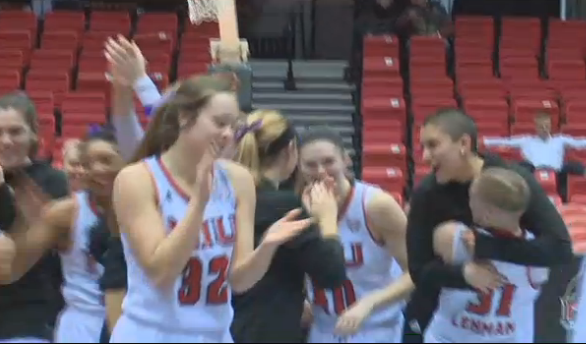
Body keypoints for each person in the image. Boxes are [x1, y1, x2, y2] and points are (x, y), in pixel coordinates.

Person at [110, 74, 311, 343]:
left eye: (234, 125)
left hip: (215, 334)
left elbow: (239, 280)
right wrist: (199, 202)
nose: (228, 134)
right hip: (152, 333)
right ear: (184, 118)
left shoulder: (239, 180)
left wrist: (266, 247)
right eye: (219, 123)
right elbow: (162, 273)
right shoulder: (137, 179)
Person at [404, 108, 573, 342]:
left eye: (433, 145)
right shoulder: (426, 195)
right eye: (423, 146)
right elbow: (419, 271)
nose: (423, 156)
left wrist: (485, 245)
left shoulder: (513, 180)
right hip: (447, 325)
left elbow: (560, 249)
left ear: (463, 143)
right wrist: (464, 274)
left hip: (506, 324)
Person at [230, 110, 347, 343]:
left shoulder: (227, 191)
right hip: (267, 329)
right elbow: (331, 273)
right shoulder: (283, 204)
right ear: (291, 150)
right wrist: (327, 220)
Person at [0, 127, 124, 342]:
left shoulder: (150, 206)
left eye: (106, 160)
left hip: (135, 321)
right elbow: (10, 270)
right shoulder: (66, 212)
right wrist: (18, 227)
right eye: (87, 163)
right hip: (83, 325)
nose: (97, 169)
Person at [297, 127, 413, 343]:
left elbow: (416, 272)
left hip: (377, 328)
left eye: (329, 161)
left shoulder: (376, 205)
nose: (321, 171)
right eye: (311, 165)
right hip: (323, 330)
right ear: (299, 167)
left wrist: (369, 303)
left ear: (346, 160)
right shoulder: (297, 208)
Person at [426, 167, 549, 343]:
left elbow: (419, 273)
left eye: (472, 199)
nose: (468, 204)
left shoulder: (451, 236)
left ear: (487, 213)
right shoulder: (539, 256)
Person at [0, 91, 69, 343]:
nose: (6, 141)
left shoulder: (54, 182)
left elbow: (20, 253)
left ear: (33, 134)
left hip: (28, 316)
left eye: (15, 131)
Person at [483, 111, 586, 199]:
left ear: (551, 126)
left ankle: (563, 200)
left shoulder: (560, 140)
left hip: (557, 173)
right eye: (541, 127)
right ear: (536, 127)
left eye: (547, 126)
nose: (544, 129)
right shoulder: (526, 140)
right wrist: (485, 141)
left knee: (574, 166)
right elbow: (505, 142)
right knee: (518, 166)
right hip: (533, 172)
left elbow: (580, 143)